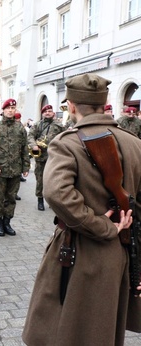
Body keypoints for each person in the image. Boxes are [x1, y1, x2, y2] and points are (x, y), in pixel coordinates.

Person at [23, 73, 141, 345]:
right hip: (120, 252)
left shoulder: (68, 142)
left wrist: (103, 226)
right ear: (104, 102)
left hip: (77, 248)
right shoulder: (134, 143)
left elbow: (56, 192)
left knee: (68, 329)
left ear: (72, 106)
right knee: (103, 329)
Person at [0, 99, 30, 237]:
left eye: (13, 108)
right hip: (0, 170)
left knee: (11, 198)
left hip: (15, 170)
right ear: (3, 110)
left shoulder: (20, 128)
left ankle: (7, 222)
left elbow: (24, 148)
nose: (11, 110)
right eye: (8, 108)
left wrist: (26, 166)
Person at [27, 105, 65, 211]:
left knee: (53, 180)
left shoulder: (59, 125)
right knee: (40, 179)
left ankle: (52, 201)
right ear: (42, 113)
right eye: (45, 111)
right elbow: (30, 136)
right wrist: (34, 145)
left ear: (53, 113)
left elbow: (65, 136)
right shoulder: (37, 125)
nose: (48, 113)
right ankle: (40, 200)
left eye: (50, 111)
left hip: (54, 157)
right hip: (41, 157)